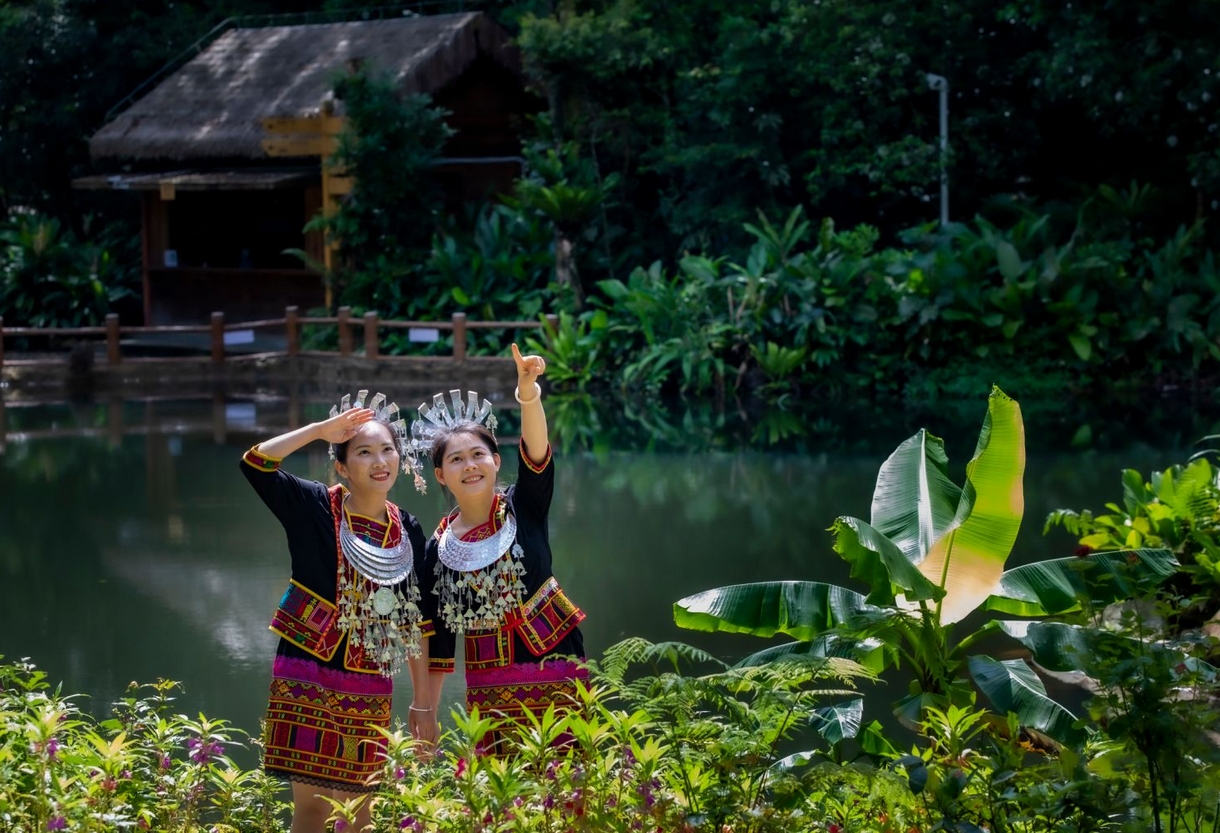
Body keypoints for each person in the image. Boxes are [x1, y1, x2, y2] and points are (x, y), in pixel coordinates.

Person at [240, 391, 439, 833]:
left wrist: (423, 702)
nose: (379, 460)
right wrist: (317, 431)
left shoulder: (406, 529)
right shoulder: (313, 505)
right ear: (343, 467)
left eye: (387, 449)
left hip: (370, 678)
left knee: (360, 811)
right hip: (308, 672)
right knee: (312, 811)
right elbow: (255, 463)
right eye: (363, 452)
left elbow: (416, 621)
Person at [408, 345, 587, 753]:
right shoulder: (437, 549)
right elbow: (435, 637)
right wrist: (426, 710)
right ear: (440, 475)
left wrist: (528, 393)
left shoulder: (524, 506)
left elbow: (537, 452)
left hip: (554, 662)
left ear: (494, 459)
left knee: (571, 785)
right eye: (456, 460)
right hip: (488, 681)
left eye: (477, 455)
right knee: (503, 796)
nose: (469, 465)